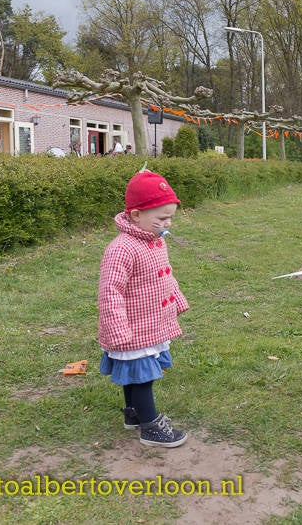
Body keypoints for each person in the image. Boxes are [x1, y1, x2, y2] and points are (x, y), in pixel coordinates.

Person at [98, 169, 189, 447]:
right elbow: (110, 291)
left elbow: (166, 274)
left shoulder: (155, 240)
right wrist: (116, 328)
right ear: (136, 215)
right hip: (133, 326)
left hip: (152, 322)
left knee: (133, 372)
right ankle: (150, 427)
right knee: (142, 376)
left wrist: (177, 300)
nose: (167, 223)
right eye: (161, 218)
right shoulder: (122, 248)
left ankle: (134, 414)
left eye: (170, 217)